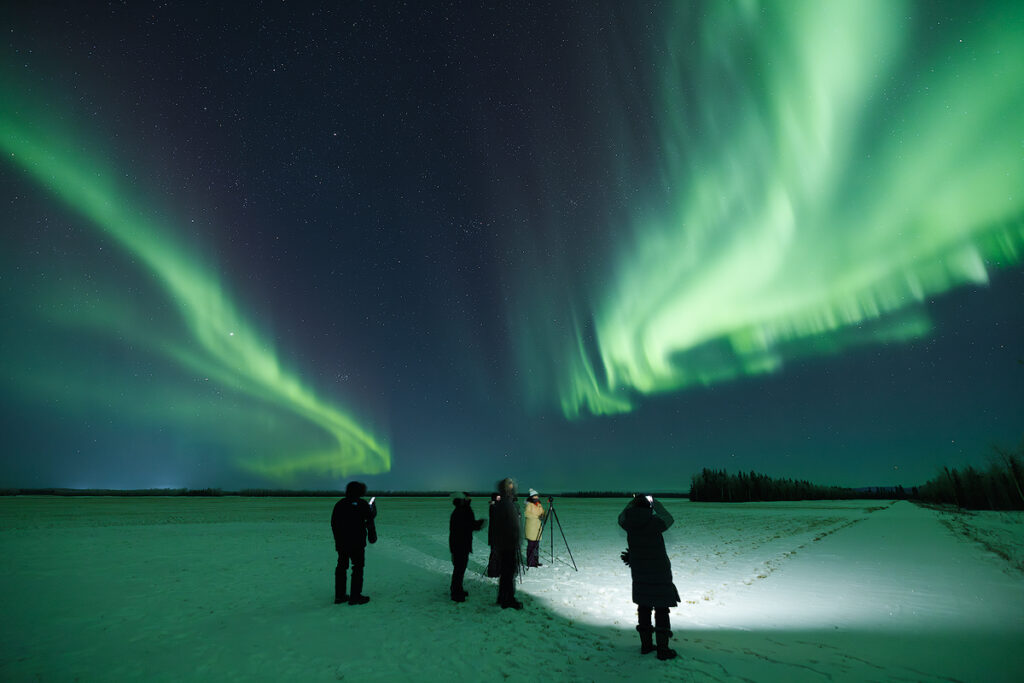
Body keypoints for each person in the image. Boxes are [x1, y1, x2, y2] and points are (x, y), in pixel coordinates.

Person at [618, 494, 680, 660]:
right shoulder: (655, 523)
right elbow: (669, 518)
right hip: (659, 572)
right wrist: (656, 503)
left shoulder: (629, 524)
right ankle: (663, 649)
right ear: (649, 507)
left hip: (639, 571)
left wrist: (632, 503)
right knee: (661, 609)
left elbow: (621, 517)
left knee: (644, 606)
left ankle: (646, 646)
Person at [331, 481, 377, 605]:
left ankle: (340, 596)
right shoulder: (362, 504)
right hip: (357, 542)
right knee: (357, 567)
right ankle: (355, 596)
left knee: (341, 567)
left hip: (342, 543)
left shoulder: (340, 504)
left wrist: (338, 540)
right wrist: (372, 510)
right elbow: (370, 520)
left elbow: (334, 524)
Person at [490, 477, 524, 609]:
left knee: (506, 574)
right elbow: (509, 527)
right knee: (508, 574)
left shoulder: (505, 503)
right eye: (510, 485)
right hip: (507, 546)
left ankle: (503, 598)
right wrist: (514, 541)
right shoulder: (506, 504)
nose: (513, 487)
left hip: (505, 545)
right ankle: (508, 600)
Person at [449, 491, 486, 602]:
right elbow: (468, 525)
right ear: (462, 499)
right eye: (467, 498)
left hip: (458, 544)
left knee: (459, 569)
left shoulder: (461, 510)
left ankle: (457, 590)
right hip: (460, 544)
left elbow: (467, 525)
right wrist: (479, 524)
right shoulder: (462, 510)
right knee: (459, 569)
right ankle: (456, 593)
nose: (470, 499)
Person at [524, 489, 546, 567]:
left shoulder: (539, 504)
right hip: (531, 528)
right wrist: (537, 516)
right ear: (531, 497)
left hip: (537, 528)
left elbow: (542, 512)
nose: (536, 497)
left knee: (536, 546)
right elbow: (527, 514)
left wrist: (543, 514)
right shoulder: (529, 504)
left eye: (537, 496)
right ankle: (530, 562)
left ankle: (536, 561)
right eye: (534, 496)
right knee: (531, 546)